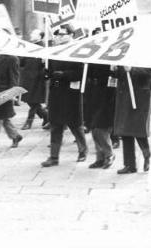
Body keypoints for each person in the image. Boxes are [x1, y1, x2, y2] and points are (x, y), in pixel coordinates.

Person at [41, 29, 87, 166]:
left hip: (70, 93)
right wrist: (46, 72)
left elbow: (80, 73)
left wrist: (63, 74)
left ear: (71, 35)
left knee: (75, 125)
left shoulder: (77, 50)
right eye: (58, 35)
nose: (59, 37)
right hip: (56, 93)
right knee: (55, 125)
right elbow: (49, 72)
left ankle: (82, 151)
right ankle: (54, 157)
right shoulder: (54, 51)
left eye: (63, 35)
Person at [113, 65, 151, 173]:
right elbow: (119, 76)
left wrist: (133, 70)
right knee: (125, 131)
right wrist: (115, 69)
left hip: (140, 96)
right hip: (124, 96)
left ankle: (147, 155)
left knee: (138, 129)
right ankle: (129, 164)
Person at [86, 63, 117, 169]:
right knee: (94, 128)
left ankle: (109, 154)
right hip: (93, 93)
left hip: (107, 95)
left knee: (100, 128)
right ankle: (100, 157)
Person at [20, 29, 48, 130]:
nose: (31, 34)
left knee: (34, 100)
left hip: (37, 79)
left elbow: (45, 65)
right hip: (28, 78)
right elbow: (22, 62)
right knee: (30, 101)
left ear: (40, 36)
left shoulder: (44, 48)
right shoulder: (30, 46)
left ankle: (29, 121)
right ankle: (46, 116)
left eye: (34, 33)